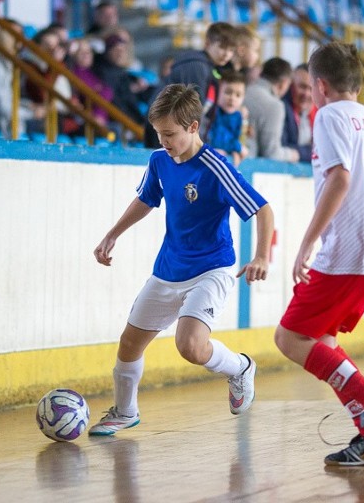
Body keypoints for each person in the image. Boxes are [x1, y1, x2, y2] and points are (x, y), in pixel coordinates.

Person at [89, 83, 274, 436]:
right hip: (169, 269)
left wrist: (262, 255)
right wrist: (113, 233)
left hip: (211, 269)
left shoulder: (215, 167)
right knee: (130, 343)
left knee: (189, 346)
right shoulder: (160, 160)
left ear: (193, 127)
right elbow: (146, 199)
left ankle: (239, 368)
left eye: (170, 133)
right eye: (159, 133)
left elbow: (262, 210)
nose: (164, 141)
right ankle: (125, 412)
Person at [273, 41, 364, 467]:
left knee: (290, 338)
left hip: (349, 245)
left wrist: (309, 241)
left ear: (320, 85)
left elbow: (339, 179)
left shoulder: (329, 114)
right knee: (324, 342)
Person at [146, 22, 237, 148]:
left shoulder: (208, 68)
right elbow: (191, 111)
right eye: (222, 47)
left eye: (231, 50)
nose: (227, 54)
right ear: (207, 43)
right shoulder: (197, 67)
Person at [0, 20, 41, 139]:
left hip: (3, 125)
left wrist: (28, 105)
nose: (21, 39)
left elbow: (7, 100)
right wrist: (32, 113)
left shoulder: (6, 64)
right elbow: (2, 106)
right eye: (16, 34)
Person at [244, 57, 298, 163]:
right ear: (283, 83)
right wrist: (293, 154)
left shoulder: (242, 91)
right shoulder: (275, 105)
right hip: (247, 168)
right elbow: (271, 153)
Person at [206, 70, 249, 166]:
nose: (232, 98)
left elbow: (238, 138)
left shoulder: (238, 117)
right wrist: (237, 147)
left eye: (238, 95)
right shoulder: (213, 112)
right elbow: (217, 141)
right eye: (228, 92)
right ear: (218, 92)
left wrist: (235, 151)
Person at [281, 63, 315, 163]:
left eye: (311, 89)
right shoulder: (281, 108)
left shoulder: (317, 112)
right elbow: (282, 148)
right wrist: (311, 150)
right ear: (291, 85)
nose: (306, 94)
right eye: (302, 87)